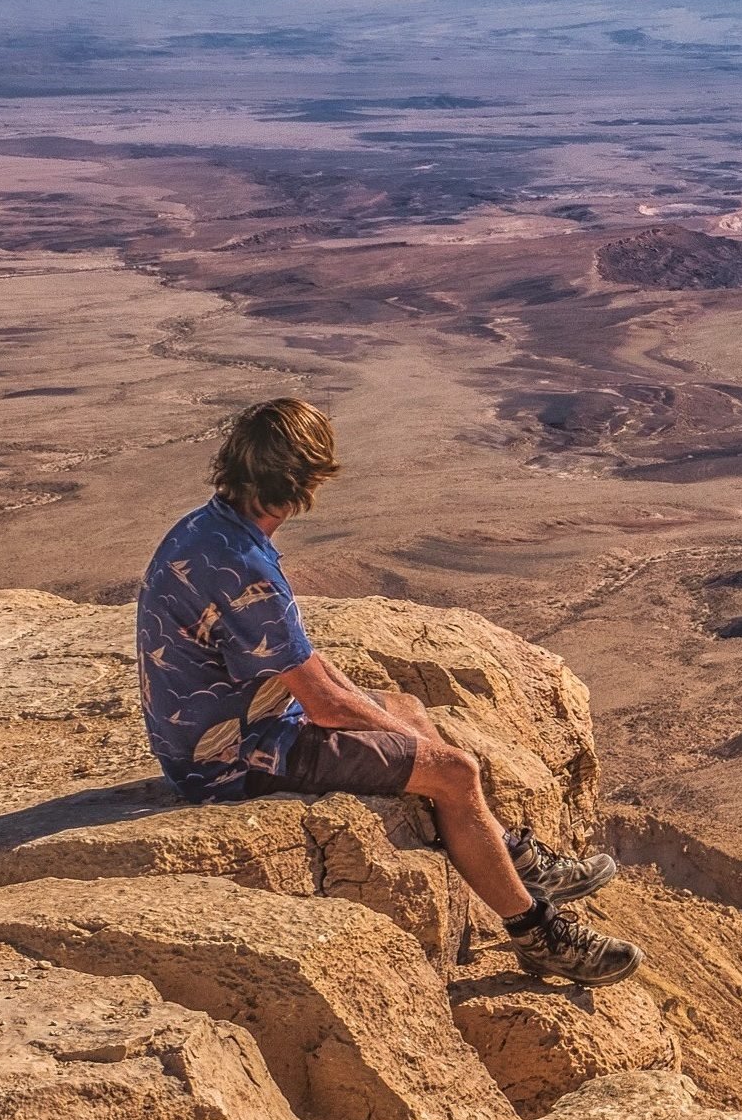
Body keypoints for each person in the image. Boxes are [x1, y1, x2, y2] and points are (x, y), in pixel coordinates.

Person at [136, 397, 641, 985]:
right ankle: (538, 932)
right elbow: (323, 703)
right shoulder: (243, 569)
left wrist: (393, 721)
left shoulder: (210, 528)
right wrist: (413, 748)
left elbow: (304, 667)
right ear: (307, 477)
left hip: (238, 722)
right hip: (230, 759)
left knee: (406, 706)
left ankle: (516, 858)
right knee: (453, 773)